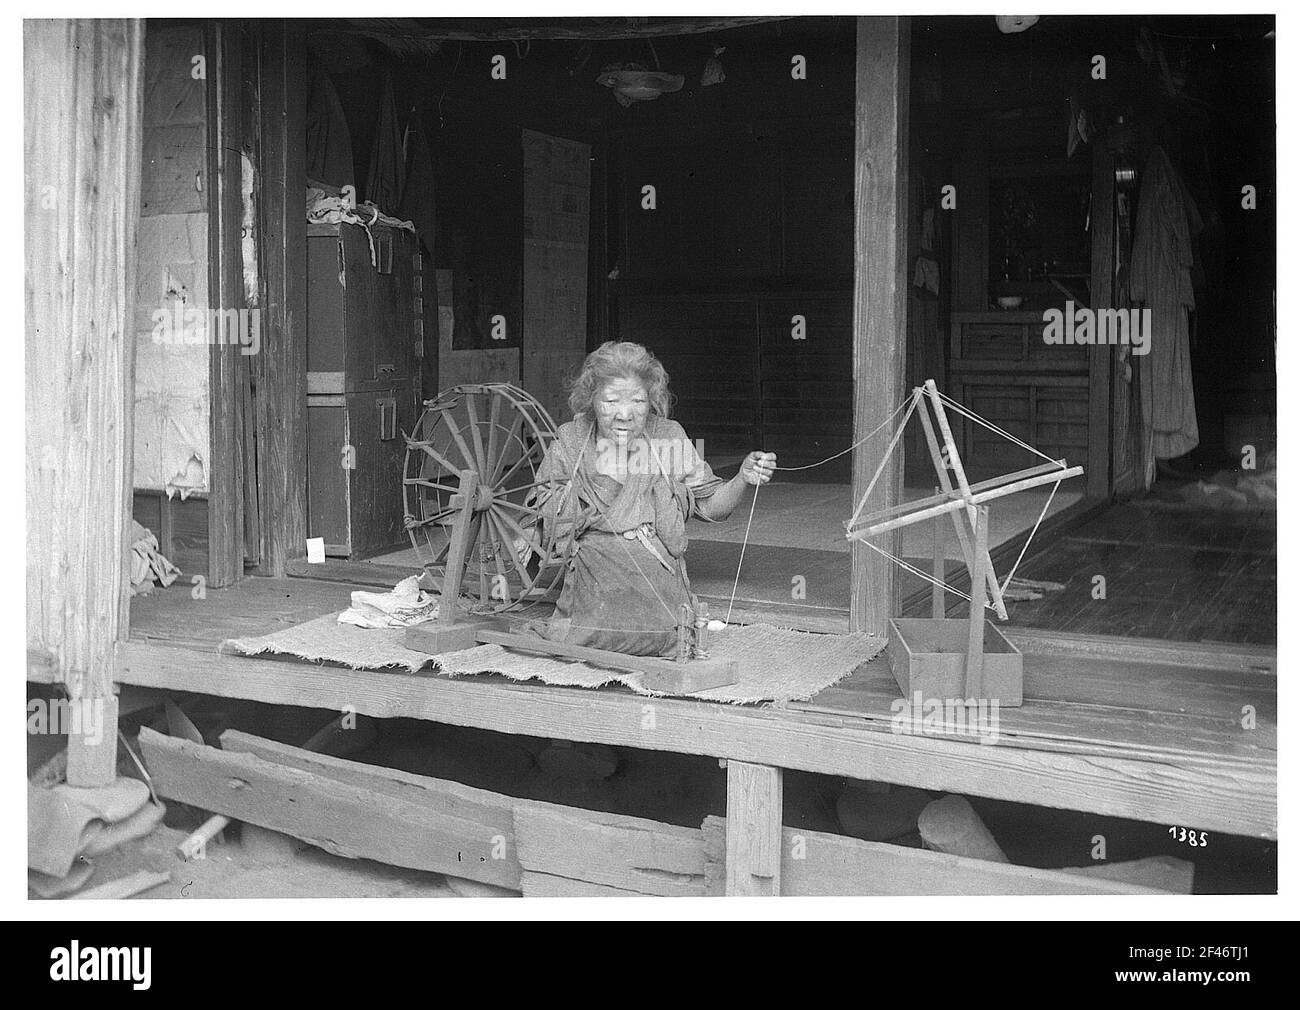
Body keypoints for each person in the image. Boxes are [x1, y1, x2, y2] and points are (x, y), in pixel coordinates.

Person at [529, 341, 775, 657]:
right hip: (593, 570)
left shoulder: (668, 436)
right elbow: (543, 508)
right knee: (594, 632)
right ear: (591, 399)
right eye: (611, 400)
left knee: (666, 631)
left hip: (654, 562)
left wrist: (743, 478)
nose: (624, 414)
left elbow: (712, 505)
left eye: (638, 401)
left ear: (651, 401)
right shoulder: (572, 439)